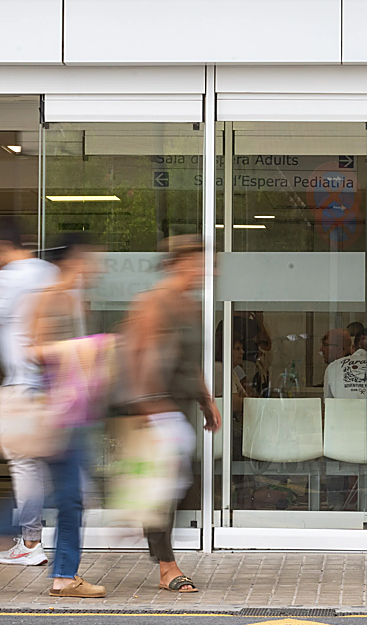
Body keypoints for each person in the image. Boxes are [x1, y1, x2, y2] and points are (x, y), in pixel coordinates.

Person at [125, 235, 221, 594]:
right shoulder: (152, 303)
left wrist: (206, 400)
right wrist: (149, 408)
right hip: (156, 408)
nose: (207, 271)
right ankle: (167, 566)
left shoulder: (189, 306)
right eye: (201, 263)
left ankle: (145, 525)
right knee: (168, 487)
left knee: (179, 486)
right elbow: (136, 354)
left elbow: (190, 360)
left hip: (178, 408)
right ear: (181, 264)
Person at [0, 217, 58, 569]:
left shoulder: (5, 277)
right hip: (53, 383)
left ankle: (31, 541)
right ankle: (38, 538)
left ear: (0, 247)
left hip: (22, 385)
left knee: (24, 464)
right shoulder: (48, 272)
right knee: (45, 463)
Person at [24, 233, 106, 598]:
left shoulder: (74, 300)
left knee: (67, 494)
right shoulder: (53, 297)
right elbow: (35, 349)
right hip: (59, 411)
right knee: (70, 495)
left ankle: (64, 574)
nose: (97, 266)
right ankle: (64, 576)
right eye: (92, 258)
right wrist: (85, 349)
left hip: (73, 410)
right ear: (74, 260)